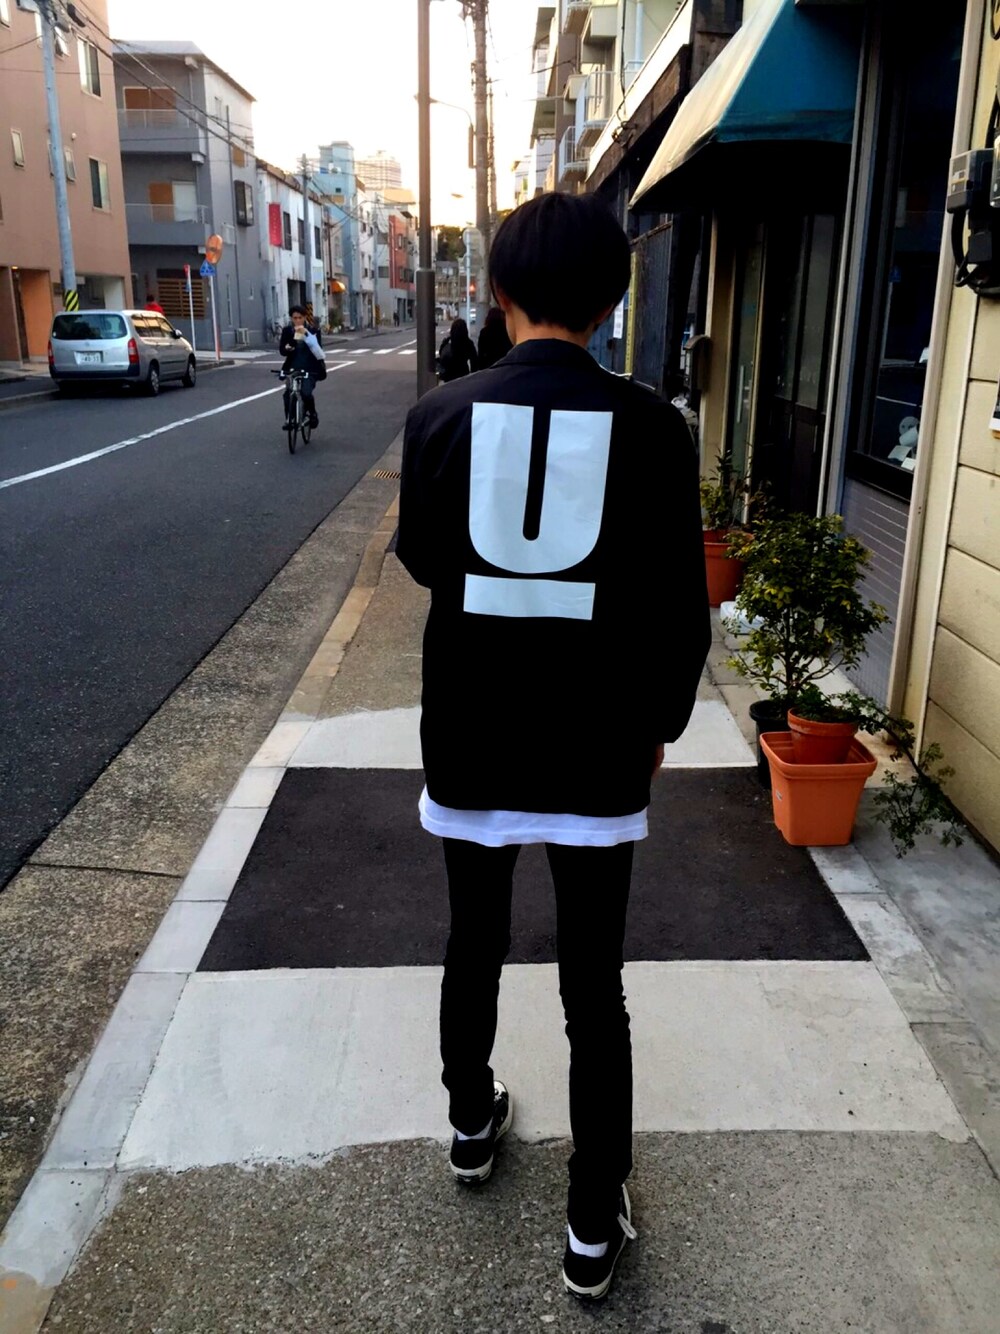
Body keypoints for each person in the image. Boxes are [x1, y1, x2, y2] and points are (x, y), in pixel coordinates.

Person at [397, 192, 710, 1302]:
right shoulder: (656, 428)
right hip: (596, 741)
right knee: (593, 982)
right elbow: (680, 608)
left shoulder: (440, 416)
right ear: (613, 298)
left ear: (496, 292)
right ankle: (589, 1213)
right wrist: (659, 725)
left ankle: (469, 1120)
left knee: (472, 940)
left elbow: (427, 562)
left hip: (473, 731)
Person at [278, 305, 325, 429]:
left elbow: (319, 351)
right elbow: (282, 351)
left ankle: (312, 413)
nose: (297, 320)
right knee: (288, 394)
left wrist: (306, 336)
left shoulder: (313, 331)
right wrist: (289, 346)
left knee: (306, 392)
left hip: (310, 367)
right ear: (291, 318)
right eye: (295, 318)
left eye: (300, 318)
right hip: (292, 367)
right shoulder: (287, 331)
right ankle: (290, 419)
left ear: (304, 318)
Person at [436, 316, 478, 382]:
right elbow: (474, 361)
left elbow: (441, 353)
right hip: (463, 373)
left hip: (449, 374)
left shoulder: (448, 341)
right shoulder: (468, 343)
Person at [476, 304, 512, 369]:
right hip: (503, 364)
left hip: (488, 364)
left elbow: (481, 351)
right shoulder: (505, 331)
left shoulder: (484, 332)